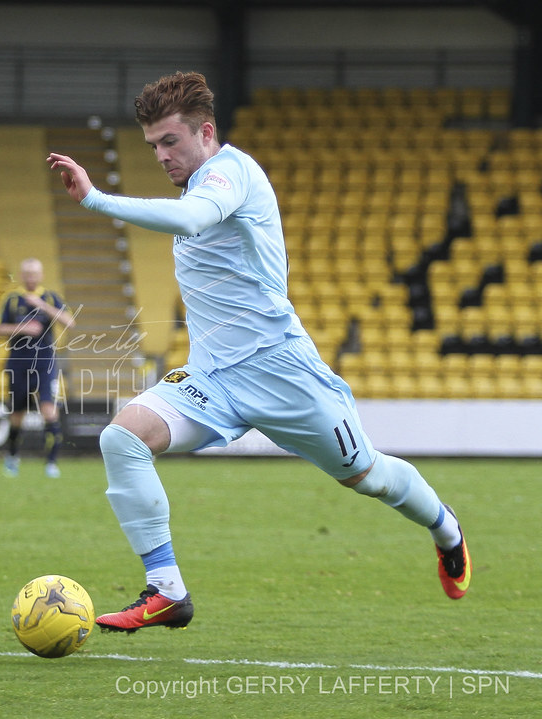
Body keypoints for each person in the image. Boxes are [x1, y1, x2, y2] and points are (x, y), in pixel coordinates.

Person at [47, 71, 470, 633]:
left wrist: (97, 199)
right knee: (122, 437)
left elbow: (194, 219)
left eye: (171, 142)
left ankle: (447, 530)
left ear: (206, 131)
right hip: (214, 379)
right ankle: (167, 591)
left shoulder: (231, 173)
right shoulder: (195, 185)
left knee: (368, 477)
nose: (162, 156)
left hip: (282, 372)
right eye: (153, 146)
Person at [0, 257, 76, 478]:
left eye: (34, 273)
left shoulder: (49, 297)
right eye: (27, 273)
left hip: (45, 362)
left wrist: (43, 307)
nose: (31, 277)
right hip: (18, 361)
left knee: (49, 409)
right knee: (16, 414)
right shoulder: (11, 299)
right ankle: (12, 458)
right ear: (21, 275)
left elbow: (70, 322)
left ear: (41, 275)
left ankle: (51, 463)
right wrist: (23, 328)